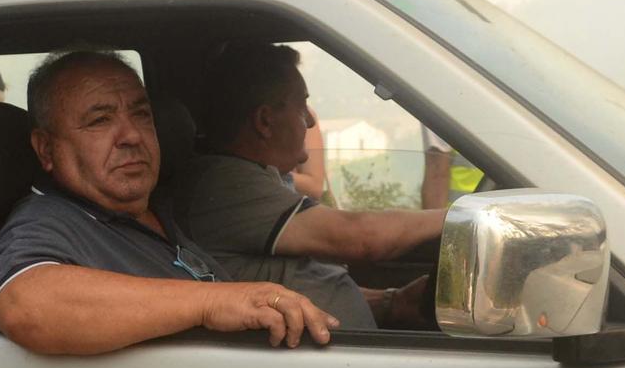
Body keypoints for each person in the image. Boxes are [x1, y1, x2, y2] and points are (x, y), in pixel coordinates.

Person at [0, 50, 338, 355]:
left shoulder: (152, 211)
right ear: (46, 149)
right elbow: (26, 305)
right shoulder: (50, 222)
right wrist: (209, 303)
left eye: (141, 114)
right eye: (100, 120)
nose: (131, 135)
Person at [173, 43, 448, 329]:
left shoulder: (257, 177)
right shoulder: (226, 183)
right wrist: (460, 216)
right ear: (265, 121)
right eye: (301, 105)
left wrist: (393, 303)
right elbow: (360, 236)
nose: (311, 118)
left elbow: (291, 286)